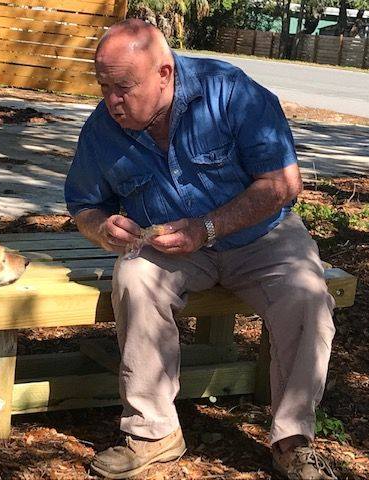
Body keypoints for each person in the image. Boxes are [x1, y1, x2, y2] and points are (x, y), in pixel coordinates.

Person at [64, 19, 338, 480]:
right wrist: (101, 227)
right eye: (104, 85)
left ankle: (293, 440)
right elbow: (85, 205)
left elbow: (283, 185)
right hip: (171, 245)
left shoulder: (232, 93)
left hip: (261, 237)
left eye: (124, 87)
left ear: (164, 73)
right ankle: (153, 433)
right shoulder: (101, 129)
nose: (112, 101)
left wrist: (208, 227)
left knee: (307, 295)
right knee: (135, 278)